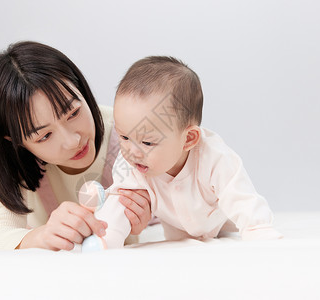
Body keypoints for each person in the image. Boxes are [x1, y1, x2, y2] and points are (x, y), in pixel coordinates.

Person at [82, 56, 283, 250]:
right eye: (124, 137)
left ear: (188, 139)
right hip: (178, 234)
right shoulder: (129, 166)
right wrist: (107, 238)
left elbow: (240, 195)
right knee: (123, 198)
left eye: (147, 142)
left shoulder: (214, 157)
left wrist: (258, 230)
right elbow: (119, 203)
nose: (132, 152)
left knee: (233, 213)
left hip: (219, 218)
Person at [0, 41, 152, 251]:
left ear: (81, 89)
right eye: (45, 136)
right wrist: (41, 236)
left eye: (73, 113)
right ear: (14, 141)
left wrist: (150, 215)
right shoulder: (10, 164)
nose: (72, 141)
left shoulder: (130, 133)